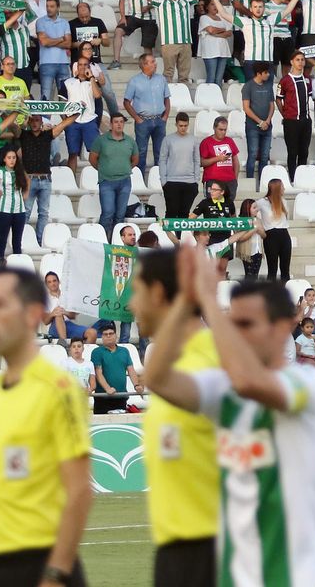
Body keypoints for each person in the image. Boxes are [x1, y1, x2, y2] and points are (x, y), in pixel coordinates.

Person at [141, 248, 315, 587]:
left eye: (246, 324)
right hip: (241, 574)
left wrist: (207, 302)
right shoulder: (225, 390)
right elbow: (157, 379)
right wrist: (186, 302)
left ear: (282, 327)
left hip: (301, 573)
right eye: (234, 323)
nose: (236, 333)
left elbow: (249, 381)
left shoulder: (306, 385)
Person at [0, 267, 93, 587]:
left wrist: (55, 573)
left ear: (32, 315)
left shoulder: (59, 390)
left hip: (39, 564)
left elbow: (79, 490)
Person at [126, 247, 219, 587]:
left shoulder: (216, 357)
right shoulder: (170, 361)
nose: (131, 304)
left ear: (159, 293)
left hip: (215, 550)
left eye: (136, 291)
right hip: (175, 553)